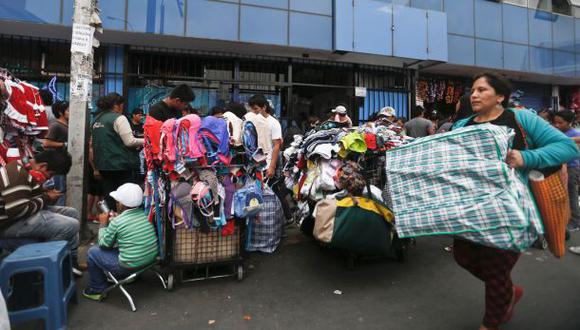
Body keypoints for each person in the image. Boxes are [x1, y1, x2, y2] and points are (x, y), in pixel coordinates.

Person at [452, 72, 578, 330]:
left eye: (482, 90)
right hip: (472, 209)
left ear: (500, 97)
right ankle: (509, 291)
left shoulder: (521, 118)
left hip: (513, 210)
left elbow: (568, 148)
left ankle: (490, 323)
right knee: (463, 257)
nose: (474, 94)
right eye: (473, 90)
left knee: (496, 268)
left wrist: (525, 158)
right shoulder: (461, 125)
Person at [0, 149, 83, 275]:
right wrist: (47, 198)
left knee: (72, 213)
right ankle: (44, 265)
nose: (49, 178)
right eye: (50, 174)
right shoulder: (17, 174)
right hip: (7, 223)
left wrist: (45, 195)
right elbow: (17, 210)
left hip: (17, 217)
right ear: (43, 166)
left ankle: (70, 262)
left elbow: (30, 198)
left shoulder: (25, 168)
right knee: (70, 225)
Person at [83, 183, 158, 301]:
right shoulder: (146, 214)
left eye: (117, 201)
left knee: (92, 252)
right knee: (126, 244)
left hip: (129, 266)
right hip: (149, 260)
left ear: (121, 204)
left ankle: (97, 289)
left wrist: (103, 224)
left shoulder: (117, 222)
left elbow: (104, 245)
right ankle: (130, 276)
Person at [91, 93, 143, 211]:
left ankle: (111, 221)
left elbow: (92, 145)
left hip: (104, 165)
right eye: (122, 105)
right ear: (116, 105)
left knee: (110, 195)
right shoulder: (119, 118)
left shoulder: (96, 120)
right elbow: (129, 141)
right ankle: (125, 224)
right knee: (126, 197)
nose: (122, 108)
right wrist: (147, 141)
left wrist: (95, 167)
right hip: (121, 164)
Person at [248, 95, 292, 224]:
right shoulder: (255, 121)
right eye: (252, 109)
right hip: (260, 162)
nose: (254, 112)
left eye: (256, 109)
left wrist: (272, 166)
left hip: (271, 162)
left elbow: (277, 145)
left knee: (275, 189)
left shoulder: (273, 123)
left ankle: (286, 218)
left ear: (264, 107)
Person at [552, 110, 580, 233]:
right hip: (557, 168)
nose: (557, 125)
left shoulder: (573, 133)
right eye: (555, 122)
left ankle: (575, 221)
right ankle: (563, 218)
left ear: (569, 123)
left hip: (571, 168)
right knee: (559, 195)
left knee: (571, 194)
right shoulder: (555, 131)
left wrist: (566, 140)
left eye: (560, 123)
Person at [42, 100, 69, 206]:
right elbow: (46, 143)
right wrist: (63, 145)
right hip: (57, 162)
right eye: (68, 110)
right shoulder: (56, 125)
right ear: (61, 112)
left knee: (63, 188)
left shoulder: (66, 125)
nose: (70, 112)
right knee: (60, 189)